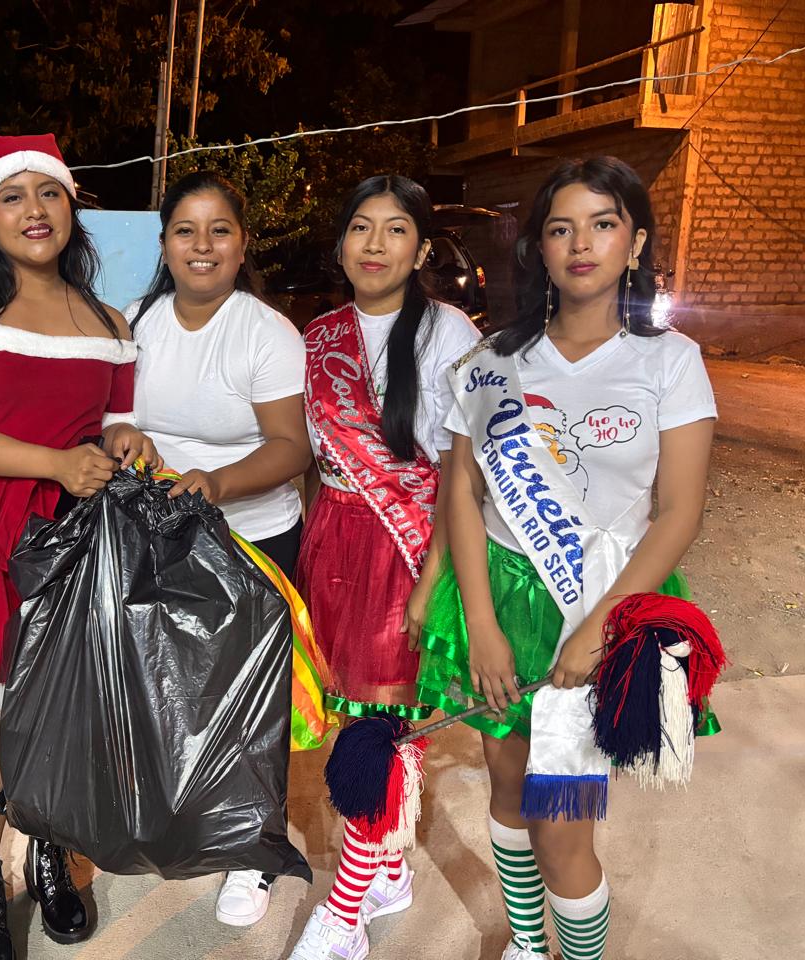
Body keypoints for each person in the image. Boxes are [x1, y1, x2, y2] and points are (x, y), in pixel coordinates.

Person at [418, 156, 717, 960]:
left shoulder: (669, 362)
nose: (581, 243)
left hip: (608, 602)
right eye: (561, 228)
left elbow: (678, 512)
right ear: (539, 249)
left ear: (636, 242)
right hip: (503, 593)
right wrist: (481, 624)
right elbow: (463, 496)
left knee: (563, 826)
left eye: (603, 224)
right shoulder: (491, 363)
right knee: (510, 791)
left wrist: (599, 627)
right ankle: (527, 942)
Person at [0, 132, 157, 960]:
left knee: (65, 720)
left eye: (48, 192)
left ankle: (50, 853)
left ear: (72, 206)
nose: (34, 210)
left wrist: (123, 442)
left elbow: (115, 423)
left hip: (73, 542)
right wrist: (53, 462)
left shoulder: (108, 320)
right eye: (12, 196)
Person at [286, 175, 479, 960]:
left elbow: (463, 471)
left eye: (395, 229)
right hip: (334, 533)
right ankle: (390, 868)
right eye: (360, 227)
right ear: (340, 244)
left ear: (422, 248)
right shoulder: (316, 336)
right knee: (353, 717)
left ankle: (344, 915)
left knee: (382, 729)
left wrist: (433, 581)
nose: (374, 244)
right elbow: (310, 459)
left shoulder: (451, 334)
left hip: (411, 544)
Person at [124, 170, 314, 929]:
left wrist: (217, 483)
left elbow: (292, 446)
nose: (202, 245)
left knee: (253, 703)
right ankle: (192, 819)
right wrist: (122, 437)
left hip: (252, 538)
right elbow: (112, 417)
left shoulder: (266, 333)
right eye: (185, 230)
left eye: (220, 230)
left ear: (242, 245)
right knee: (175, 690)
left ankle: (255, 848)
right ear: (164, 244)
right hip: (161, 536)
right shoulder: (135, 323)